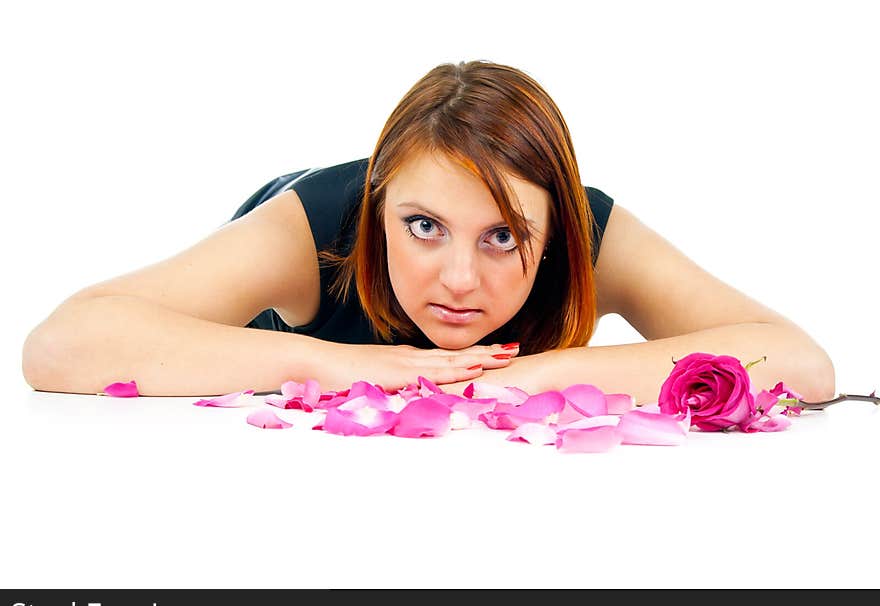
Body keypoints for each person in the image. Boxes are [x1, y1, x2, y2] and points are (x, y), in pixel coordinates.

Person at [21, 60, 836, 404]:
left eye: (503, 237)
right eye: (422, 226)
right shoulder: (315, 226)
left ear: (553, 228)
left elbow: (801, 361)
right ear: (379, 209)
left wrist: (538, 378)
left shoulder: (586, 223)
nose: (457, 278)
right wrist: (339, 364)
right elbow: (60, 344)